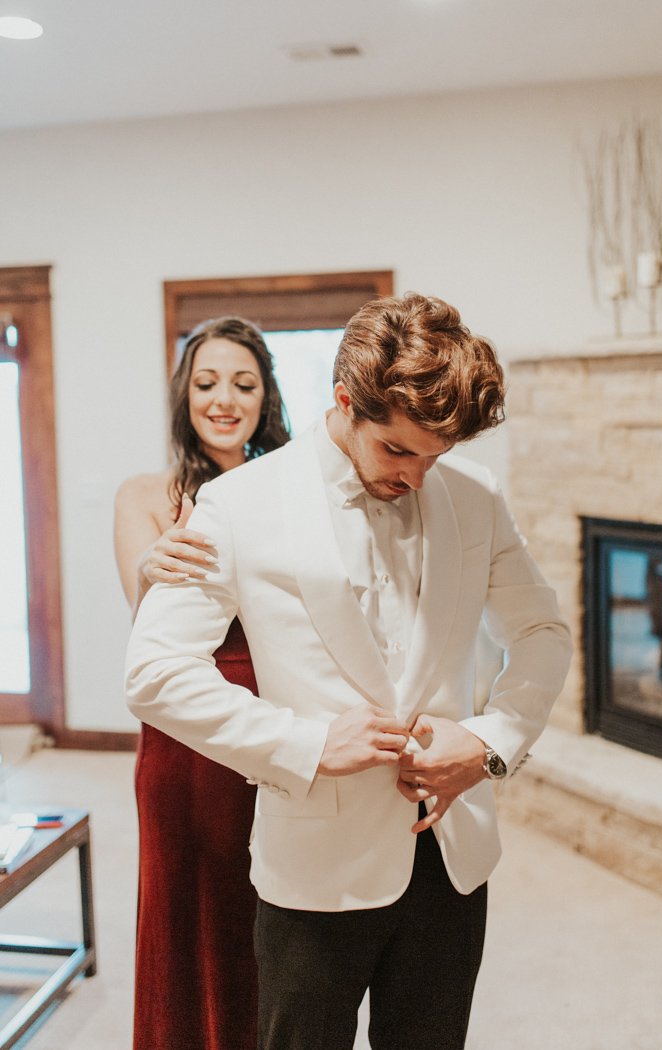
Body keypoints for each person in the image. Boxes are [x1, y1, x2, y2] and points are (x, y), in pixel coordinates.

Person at [125, 293, 573, 1050]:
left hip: (451, 858)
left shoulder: (476, 496)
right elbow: (155, 672)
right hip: (314, 867)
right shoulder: (235, 504)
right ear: (344, 402)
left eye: (439, 456)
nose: (421, 477)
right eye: (399, 451)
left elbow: (542, 632)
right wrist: (304, 745)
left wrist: (492, 740)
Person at [114, 316, 289, 1050]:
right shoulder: (145, 494)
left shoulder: (287, 489)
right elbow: (143, 622)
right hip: (186, 738)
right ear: (185, 395)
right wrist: (155, 569)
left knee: (268, 915)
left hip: (277, 721)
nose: (224, 399)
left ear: (264, 398)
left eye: (243, 384)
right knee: (185, 915)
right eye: (207, 382)